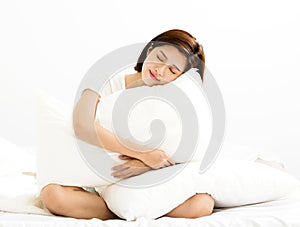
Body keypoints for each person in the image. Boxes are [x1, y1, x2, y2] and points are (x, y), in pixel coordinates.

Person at [40, 29, 215, 220]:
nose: (160, 70)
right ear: (150, 49)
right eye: (159, 57)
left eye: (173, 70)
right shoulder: (102, 79)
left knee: (202, 204)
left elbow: (182, 146)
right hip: (102, 175)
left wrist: (145, 165)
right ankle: (122, 211)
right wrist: (142, 154)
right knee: (53, 196)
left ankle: (129, 209)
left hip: (144, 177)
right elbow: (82, 125)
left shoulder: (172, 103)